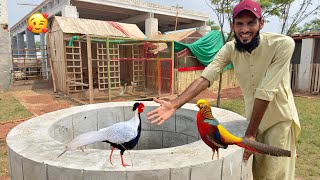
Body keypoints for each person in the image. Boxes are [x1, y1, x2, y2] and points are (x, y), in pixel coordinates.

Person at [147, 0, 301, 179]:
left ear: (261, 23)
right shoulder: (230, 49)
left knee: (275, 173)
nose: (245, 29)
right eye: (239, 23)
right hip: (253, 117)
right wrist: (174, 104)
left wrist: (250, 134)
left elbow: (265, 91)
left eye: (251, 23)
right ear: (232, 26)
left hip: (278, 119)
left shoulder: (282, 45)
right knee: (256, 171)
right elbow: (206, 76)